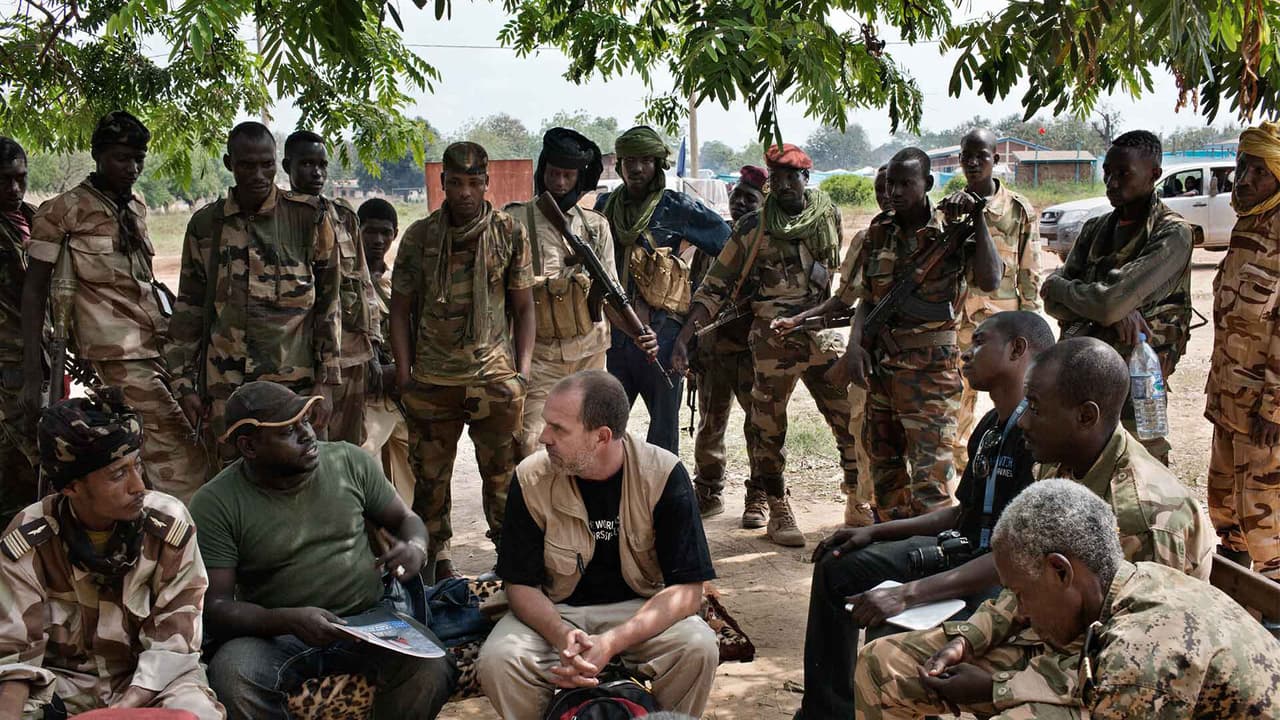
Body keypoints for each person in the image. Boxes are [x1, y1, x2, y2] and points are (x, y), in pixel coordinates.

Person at [855, 337, 1215, 720]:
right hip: (1051, 638)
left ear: (1086, 416)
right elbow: (1028, 581)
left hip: (1111, 671)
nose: (1023, 420)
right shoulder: (1057, 463)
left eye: (1037, 409)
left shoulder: (1147, 520)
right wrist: (968, 639)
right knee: (882, 665)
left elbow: (1139, 660)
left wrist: (997, 689)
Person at [795, 311, 1052, 719]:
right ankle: (828, 711)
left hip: (995, 579)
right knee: (835, 564)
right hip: (961, 551)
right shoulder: (989, 425)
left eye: (980, 342)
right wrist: (878, 532)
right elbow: (961, 513)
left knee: (889, 627)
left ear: (1017, 349)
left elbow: (1013, 560)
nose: (966, 353)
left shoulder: (1039, 433)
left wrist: (907, 593)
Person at [192, 381, 455, 720]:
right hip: (277, 633)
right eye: (288, 431)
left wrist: (416, 547)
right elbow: (217, 607)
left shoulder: (348, 461)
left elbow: (406, 519)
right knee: (233, 677)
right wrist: (286, 619)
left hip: (369, 621)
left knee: (432, 664)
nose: (308, 435)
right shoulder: (216, 503)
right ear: (249, 446)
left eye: (306, 421)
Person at [477, 370, 718, 719]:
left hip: (638, 611)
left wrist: (611, 643)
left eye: (558, 429)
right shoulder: (531, 477)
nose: (544, 436)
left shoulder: (663, 474)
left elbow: (687, 591)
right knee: (500, 660)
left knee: (698, 647)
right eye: (547, 424)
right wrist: (563, 636)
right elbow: (519, 586)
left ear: (601, 437)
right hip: (556, 612)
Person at [672, 143, 862, 547]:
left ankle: (857, 497)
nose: (787, 185)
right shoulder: (752, 227)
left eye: (794, 177)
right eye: (778, 179)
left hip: (819, 329)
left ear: (806, 179)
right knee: (767, 426)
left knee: (849, 414)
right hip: (772, 338)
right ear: (771, 183)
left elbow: (834, 277)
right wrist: (686, 338)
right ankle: (776, 504)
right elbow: (714, 288)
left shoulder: (826, 216)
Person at [800, 147, 1004, 521]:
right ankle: (891, 560)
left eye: (905, 183)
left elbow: (990, 280)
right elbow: (865, 300)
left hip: (931, 381)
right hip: (881, 374)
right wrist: (856, 346)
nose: (894, 191)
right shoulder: (879, 230)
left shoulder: (952, 230)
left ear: (926, 184)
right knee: (886, 480)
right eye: (891, 183)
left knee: (931, 486)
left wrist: (977, 219)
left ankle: (928, 567)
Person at [20, 112, 207, 502]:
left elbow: (143, 281)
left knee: (181, 436)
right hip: (117, 353)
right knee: (178, 452)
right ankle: (200, 542)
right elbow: (35, 290)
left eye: (139, 158)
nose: (133, 168)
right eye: (122, 157)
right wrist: (32, 368)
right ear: (98, 155)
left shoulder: (135, 207)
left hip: (158, 343)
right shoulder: (63, 211)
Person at [0, 391, 222, 719]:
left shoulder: (168, 525)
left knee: (195, 711)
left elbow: (174, 645)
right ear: (70, 488)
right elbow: (15, 661)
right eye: (118, 474)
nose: (139, 486)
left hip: (155, 681)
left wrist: (119, 712)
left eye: (138, 465)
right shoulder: (30, 538)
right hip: (64, 687)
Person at [977, 480, 1280, 718]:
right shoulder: (1144, 579)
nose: (1021, 612)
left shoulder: (1139, 651)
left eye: (1021, 594)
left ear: (1060, 571)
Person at [389, 141, 536, 581]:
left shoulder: (509, 233)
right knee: (430, 486)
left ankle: (512, 571)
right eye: (456, 183)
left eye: (474, 183)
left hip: (493, 380)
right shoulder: (419, 237)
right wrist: (404, 374)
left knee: (504, 481)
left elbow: (524, 308)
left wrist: (522, 374)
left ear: (486, 183)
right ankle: (434, 569)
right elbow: (400, 309)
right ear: (443, 183)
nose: (466, 192)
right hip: (433, 382)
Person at [166, 121, 341, 459]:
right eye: (247, 165)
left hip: (295, 386)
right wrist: (183, 384)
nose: (259, 175)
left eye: (267, 165)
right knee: (235, 486)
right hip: (228, 391)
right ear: (229, 163)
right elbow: (189, 309)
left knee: (303, 482)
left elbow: (329, 305)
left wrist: (326, 383)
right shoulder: (206, 225)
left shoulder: (309, 217)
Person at [1040, 130, 1193, 465]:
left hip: (1135, 390)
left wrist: (1078, 294)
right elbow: (1051, 299)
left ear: (1154, 174)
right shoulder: (1095, 229)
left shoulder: (1172, 233)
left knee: (1134, 482)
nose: (1111, 181)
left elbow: (1107, 304)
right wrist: (1107, 305)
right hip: (1080, 377)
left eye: (1123, 173)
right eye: (1107, 171)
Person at [595, 126, 731, 454]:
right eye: (629, 160)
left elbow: (728, 245)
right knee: (605, 430)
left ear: (658, 164)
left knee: (664, 436)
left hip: (664, 338)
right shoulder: (606, 206)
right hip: (616, 338)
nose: (637, 168)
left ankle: (663, 501)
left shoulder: (676, 207)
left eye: (645, 160)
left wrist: (694, 295)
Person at [505, 128, 631, 458]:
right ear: (542, 171)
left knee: (590, 441)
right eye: (553, 173)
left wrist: (637, 330)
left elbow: (611, 291)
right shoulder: (515, 221)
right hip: (541, 353)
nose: (559, 183)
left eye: (567, 175)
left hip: (588, 352)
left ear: (579, 179)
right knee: (532, 441)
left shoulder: (594, 226)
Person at [1205, 120, 1280, 580]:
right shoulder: (1247, 224)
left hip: (1265, 415)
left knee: (1266, 518)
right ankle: (1234, 592)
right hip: (1230, 400)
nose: (1246, 179)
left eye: (1260, 171)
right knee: (1225, 507)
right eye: (1242, 166)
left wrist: (1275, 408)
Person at [282, 130, 380, 446]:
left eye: (322, 164)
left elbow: (363, 282)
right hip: (301, 357)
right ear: (287, 166)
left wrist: (373, 345)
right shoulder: (278, 219)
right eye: (307, 163)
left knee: (349, 446)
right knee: (308, 443)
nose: (317, 172)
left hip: (350, 353)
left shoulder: (343, 216)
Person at [951, 129, 1041, 472]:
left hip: (1005, 329)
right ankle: (962, 475)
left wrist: (1031, 324)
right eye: (966, 157)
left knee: (1012, 402)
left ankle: (1014, 467)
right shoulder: (952, 210)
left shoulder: (1016, 210)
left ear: (996, 160)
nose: (973, 163)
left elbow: (1029, 271)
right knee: (956, 405)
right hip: (962, 326)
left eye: (981, 156)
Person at [688, 164, 766, 520]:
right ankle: (708, 491)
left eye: (750, 200)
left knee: (760, 427)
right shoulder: (712, 243)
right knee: (709, 426)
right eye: (737, 198)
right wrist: (690, 348)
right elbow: (695, 295)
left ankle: (760, 495)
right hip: (714, 353)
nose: (742, 205)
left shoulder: (766, 245)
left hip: (752, 353)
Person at [356, 198, 415, 503]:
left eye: (386, 233)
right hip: (368, 393)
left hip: (401, 390)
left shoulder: (402, 284)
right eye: (370, 232)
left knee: (412, 473)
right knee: (368, 471)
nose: (378, 240)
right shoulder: (346, 282)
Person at [0, 137, 39, 527]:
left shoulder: (35, 219)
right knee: (27, 451)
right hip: (9, 361)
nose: (14, 189)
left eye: (20, 178)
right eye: (4, 181)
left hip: (39, 355)